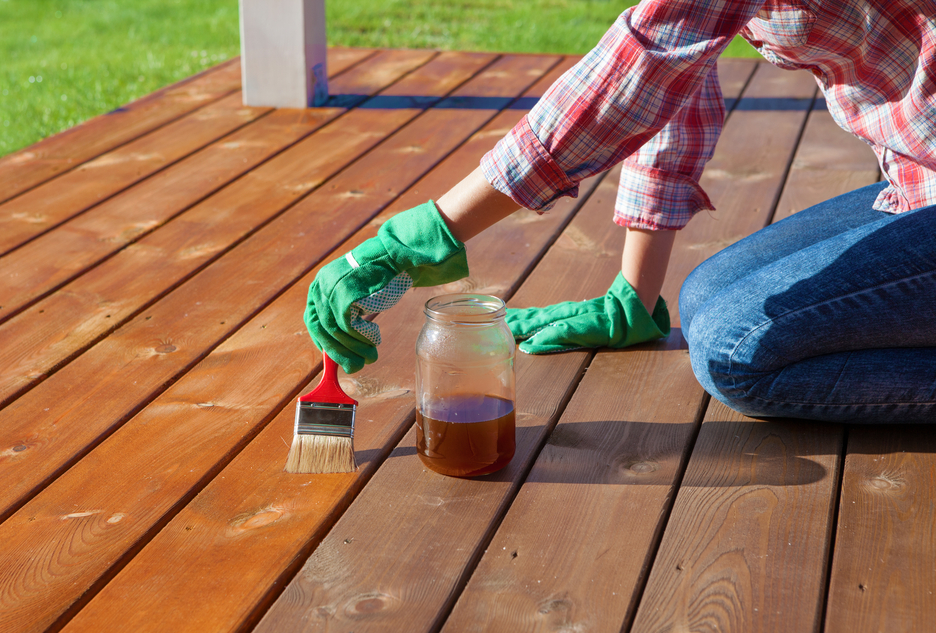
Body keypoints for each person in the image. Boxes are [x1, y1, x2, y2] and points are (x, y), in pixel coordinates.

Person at [305, 0, 936, 424]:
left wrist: (414, 241)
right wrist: (633, 297)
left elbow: (621, 89)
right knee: (706, 297)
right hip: (915, 182)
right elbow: (674, 82)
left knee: (730, 354)